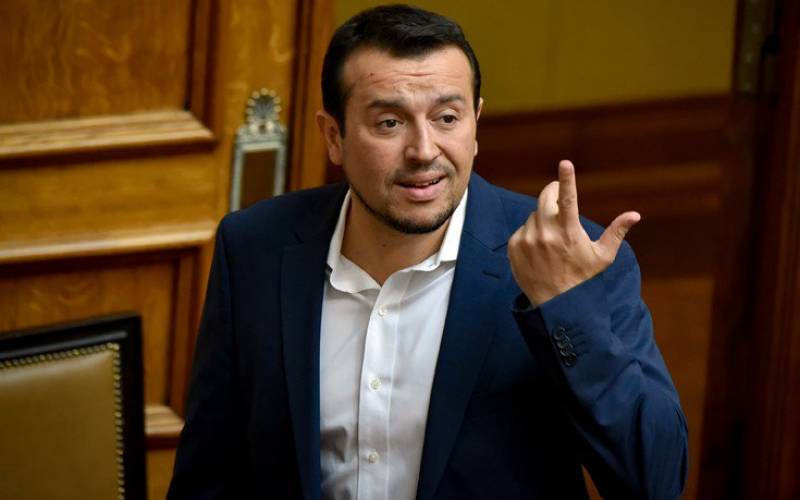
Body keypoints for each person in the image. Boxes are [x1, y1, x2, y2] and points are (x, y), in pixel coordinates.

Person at [167, 4, 687, 499]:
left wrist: (564, 308)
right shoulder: (255, 248)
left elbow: (654, 481)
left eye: (447, 118)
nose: (423, 151)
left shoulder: (575, 260)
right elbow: (209, 475)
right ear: (333, 136)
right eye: (389, 123)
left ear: (476, 123)